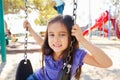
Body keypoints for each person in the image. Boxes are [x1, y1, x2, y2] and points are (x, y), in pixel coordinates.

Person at [23, 15, 112, 80]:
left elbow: (107, 63)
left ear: (71, 36)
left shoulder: (76, 55)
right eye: (52, 35)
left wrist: (82, 40)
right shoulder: (48, 49)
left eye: (62, 34)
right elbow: (39, 40)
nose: (56, 40)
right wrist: (30, 29)